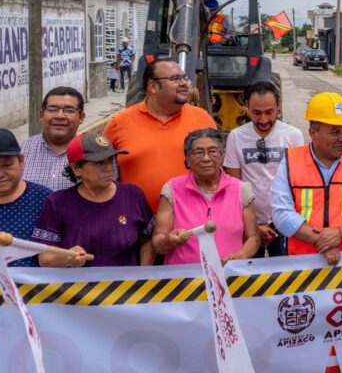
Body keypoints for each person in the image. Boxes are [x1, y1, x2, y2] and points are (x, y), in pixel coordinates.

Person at [271, 93, 342, 265]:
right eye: (335, 132)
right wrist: (322, 242)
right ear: (313, 133)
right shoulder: (291, 162)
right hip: (301, 264)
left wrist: (340, 233)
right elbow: (281, 213)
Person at [0, 129, 51, 373]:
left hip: (36, 322)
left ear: (21, 160)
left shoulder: (46, 200)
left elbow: (59, 253)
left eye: (7, 164)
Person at [103, 59, 216, 212]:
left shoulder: (202, 119)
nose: (184, 83)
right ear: (153, 86)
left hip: (191, 223)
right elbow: (102, 173)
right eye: (175, 79)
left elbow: (219, 172)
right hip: (135, 223)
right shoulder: (119, 123)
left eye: (184, 78)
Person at [31, 133, 155, 267]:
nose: (108, 168)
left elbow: (148, 239)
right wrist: (67, 258)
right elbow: (44, 258)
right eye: (99, 162)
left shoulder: (132, 195)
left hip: (126, 286)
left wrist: (142, 275)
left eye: (110, 160)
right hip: (77, 286)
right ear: (76, 169)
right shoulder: (58, 202)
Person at [152, 128, 259, 265]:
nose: (206, 158)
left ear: (222, 155)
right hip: (183, 280)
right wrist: (169, 241)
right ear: (187, 158)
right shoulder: (172, 189)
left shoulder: (241, 189)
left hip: (230, 276)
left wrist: (238, 257)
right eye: (198, 153)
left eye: (213, 151)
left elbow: (253, 237)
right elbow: (157, 242)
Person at [224, 81, 305, 257]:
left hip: (285, 223)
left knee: (286, 276)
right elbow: (234, 188)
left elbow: (298, 184)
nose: (263, 120)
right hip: (249, 225)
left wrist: (283, 221)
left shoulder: (293, 136)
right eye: (256, 113)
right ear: (246, 107)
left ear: (278, 105)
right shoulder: (236, 137)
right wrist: (253, 226)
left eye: (269, 112)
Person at [20, 87, 87, 191]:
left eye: (69, 110)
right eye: (52, 110)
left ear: (81, 117)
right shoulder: (20, 151)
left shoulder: (95, 154)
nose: (60, 116)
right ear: (41, 115)